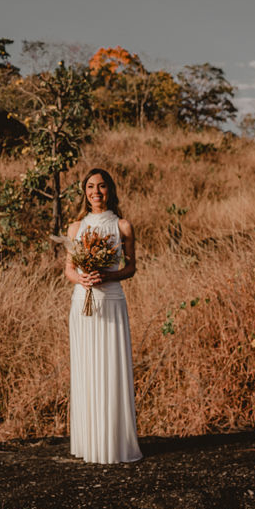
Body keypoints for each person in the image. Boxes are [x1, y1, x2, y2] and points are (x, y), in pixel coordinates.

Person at [64, 168, 142, 464]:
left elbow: (131, 268)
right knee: (87, 367)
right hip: (83, 303)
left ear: (110, 189)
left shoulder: (123, 226)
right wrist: (81, 280)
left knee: (111, 366)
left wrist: (109, 275)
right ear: (85, 193)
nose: (96, 192)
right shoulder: (75, 228)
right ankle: (90, 443)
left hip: (111, 300)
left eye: (102, 186)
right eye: (90, 187)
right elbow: (69, 269)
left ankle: (115, 445)